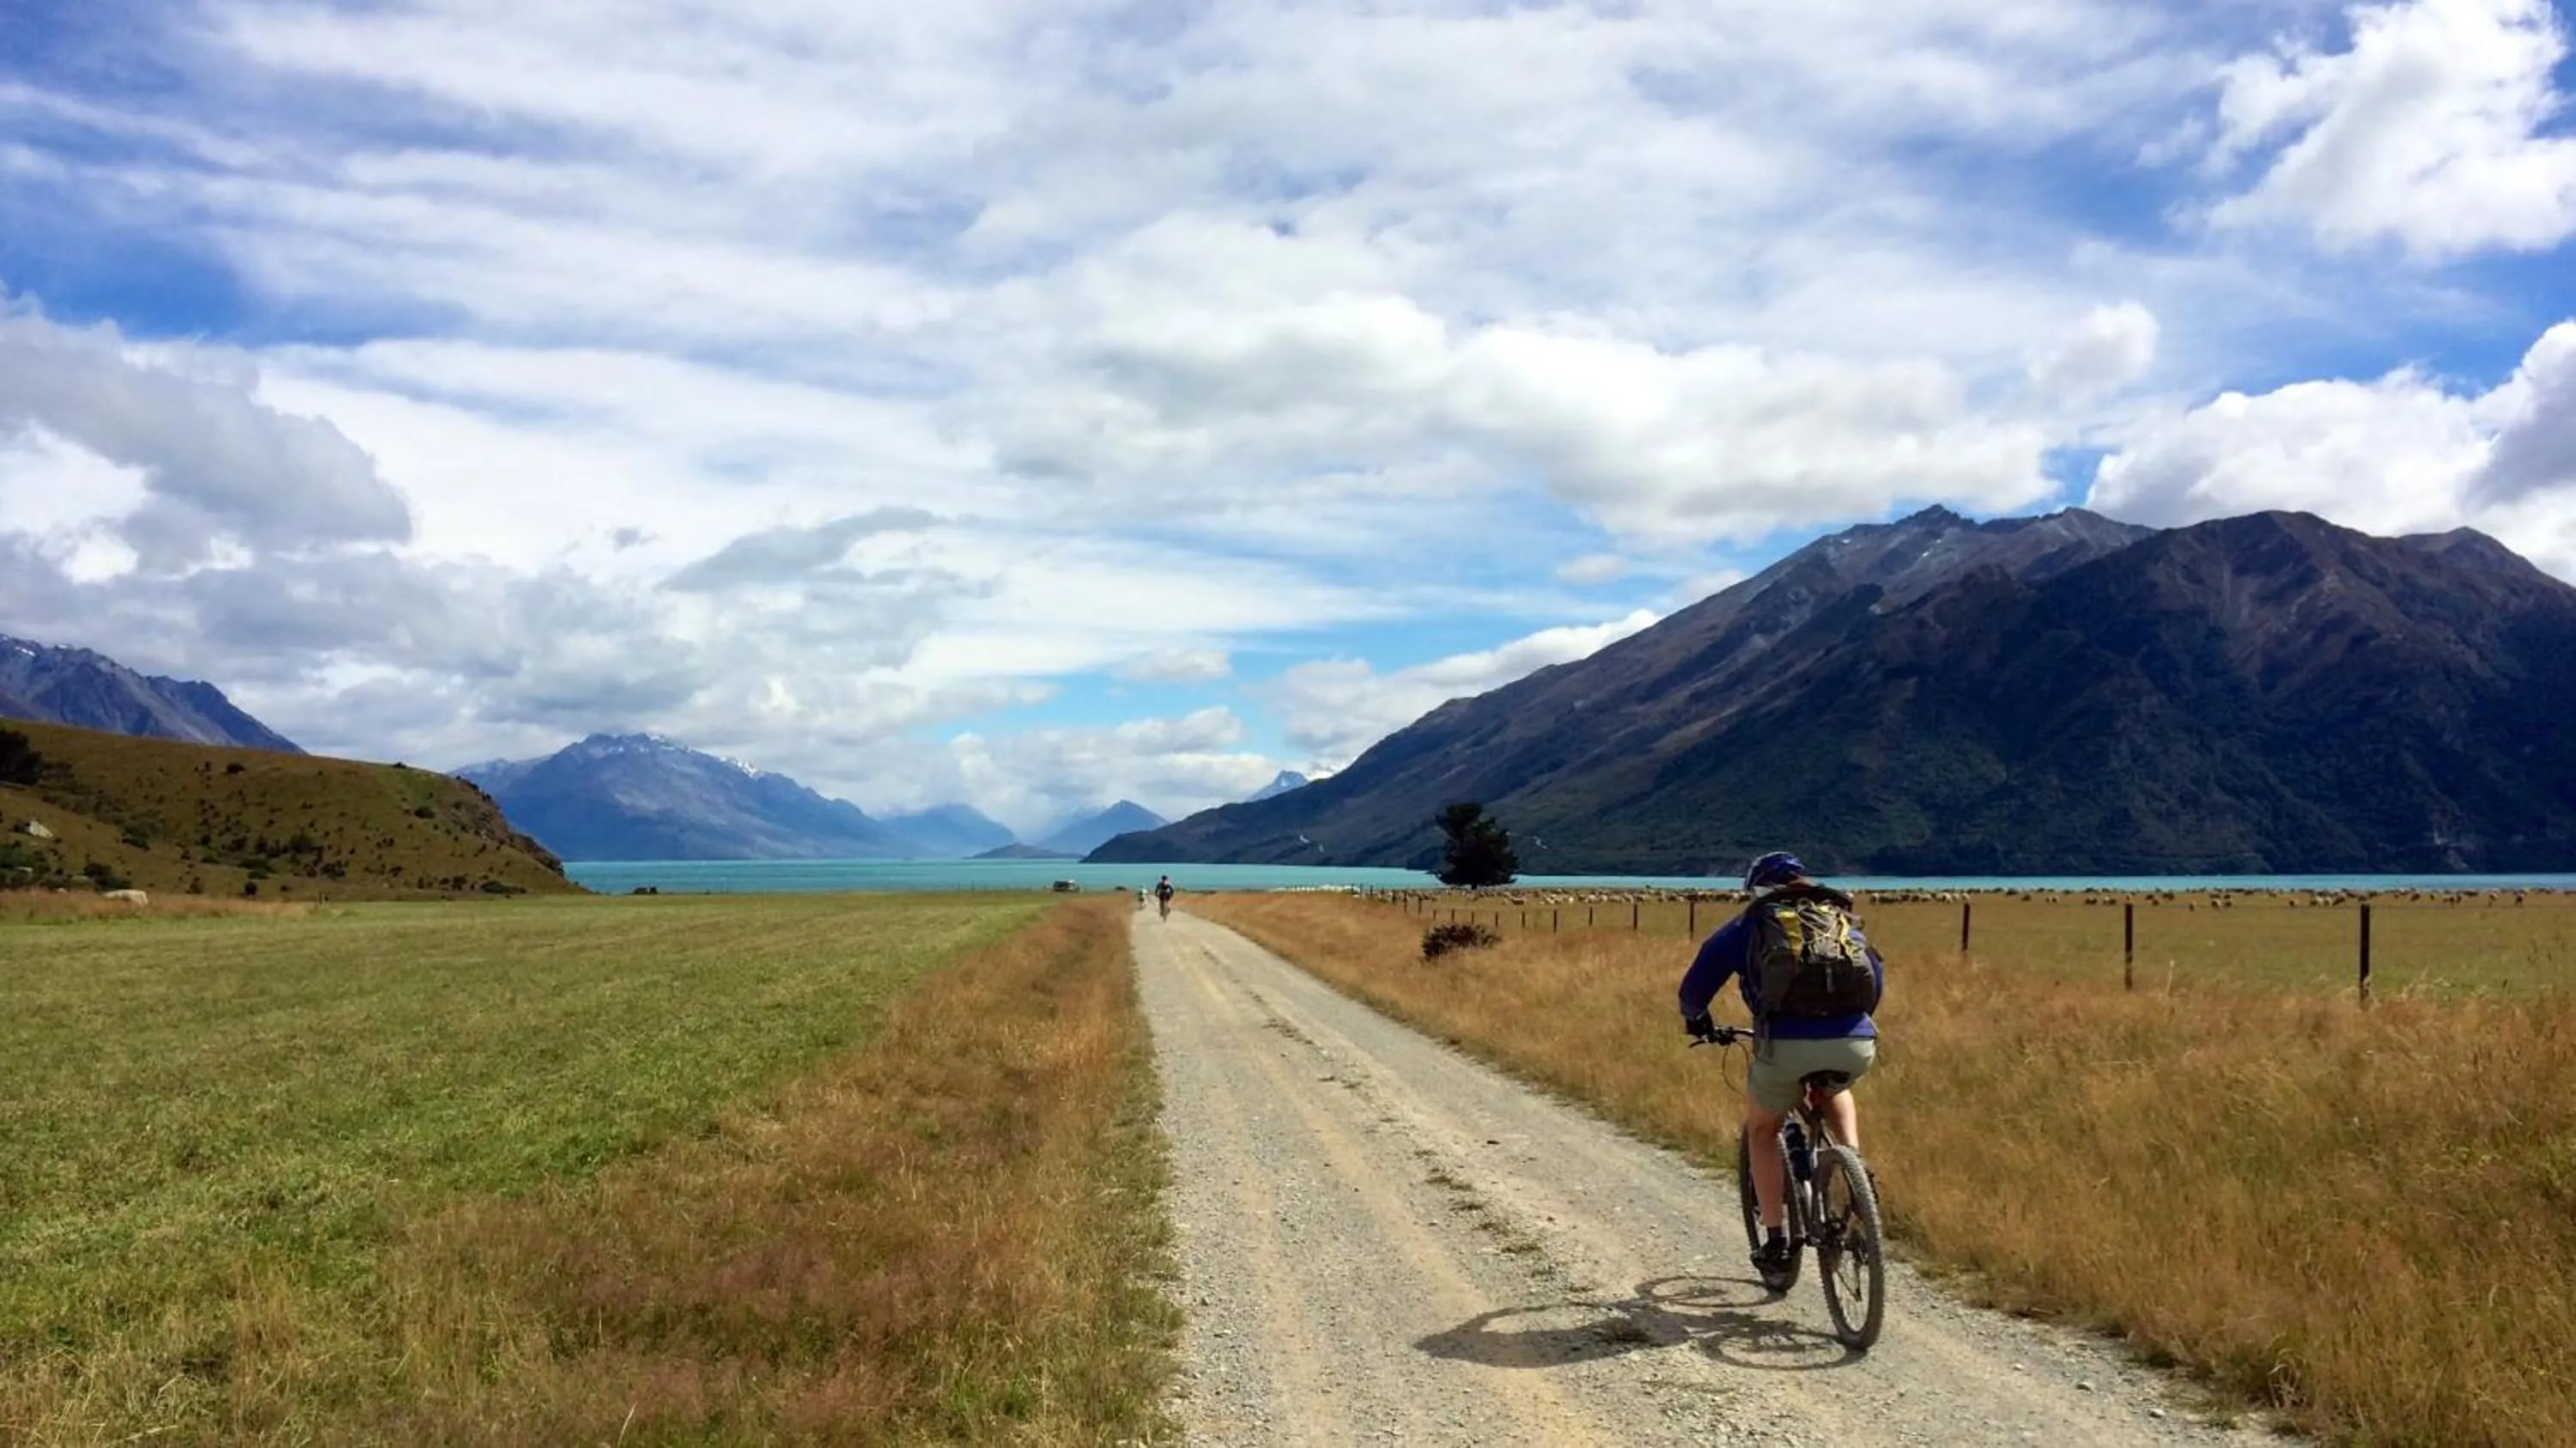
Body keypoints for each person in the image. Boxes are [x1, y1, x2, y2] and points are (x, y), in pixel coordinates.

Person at [1680, 850, 1884, 1277]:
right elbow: (1874, 979)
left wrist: (1696, 1018)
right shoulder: (1838, 919)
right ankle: (1854, 1168)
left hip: (1784, 1045)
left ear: (1756, 890)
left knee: (1762, 1130)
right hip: (1854, 1041)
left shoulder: (1749, 924)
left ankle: (1775, 1241)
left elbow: (1696, 985)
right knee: (1836, 1088)